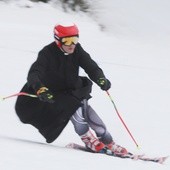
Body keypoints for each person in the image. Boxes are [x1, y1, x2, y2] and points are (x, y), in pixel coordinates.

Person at [15, 23, 127, 155]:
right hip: (54, 93)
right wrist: (41, 89)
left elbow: (90, 65)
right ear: (58, 40)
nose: (71, 44)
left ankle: (107, 140)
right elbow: (34, 73)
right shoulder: (47, 53)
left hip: (72, 88)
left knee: (87, 111)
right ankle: (88, 139)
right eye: (67, 41)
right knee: (75, 108)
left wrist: (100, 78)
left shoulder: (77, 50)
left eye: (74, 39)